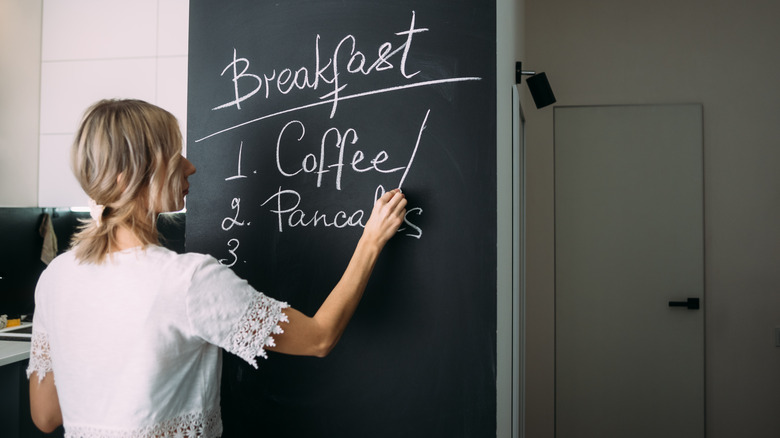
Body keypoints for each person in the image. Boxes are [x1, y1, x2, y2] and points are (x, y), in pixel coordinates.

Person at [27, 99, 407, 437]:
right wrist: (371, 241)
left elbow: (45, 416)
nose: (190, 166)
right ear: (130, 177)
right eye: (173, 155)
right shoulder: (188, 281)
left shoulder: (55, 278)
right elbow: (319, 338)